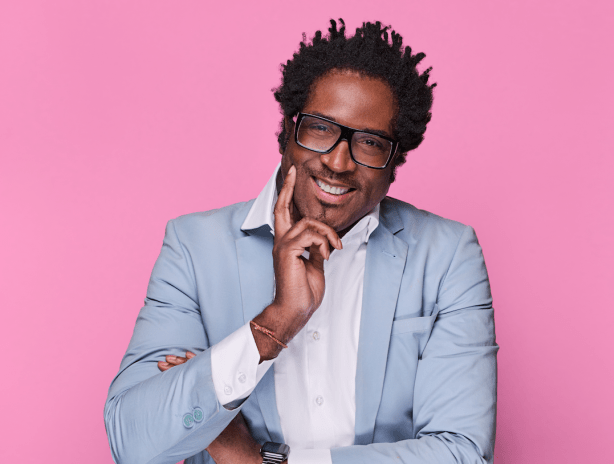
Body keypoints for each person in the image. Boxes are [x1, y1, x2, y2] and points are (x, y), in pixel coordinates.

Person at [104, 19, 498, 464]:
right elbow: (133, 443)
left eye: (370, 142)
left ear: (395, 162)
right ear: (286, 132)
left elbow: (462, 453)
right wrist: (276, 323)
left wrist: (257, 461)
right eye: (321, 129)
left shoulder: (447, 256)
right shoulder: (195, 248)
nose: (339, 162)